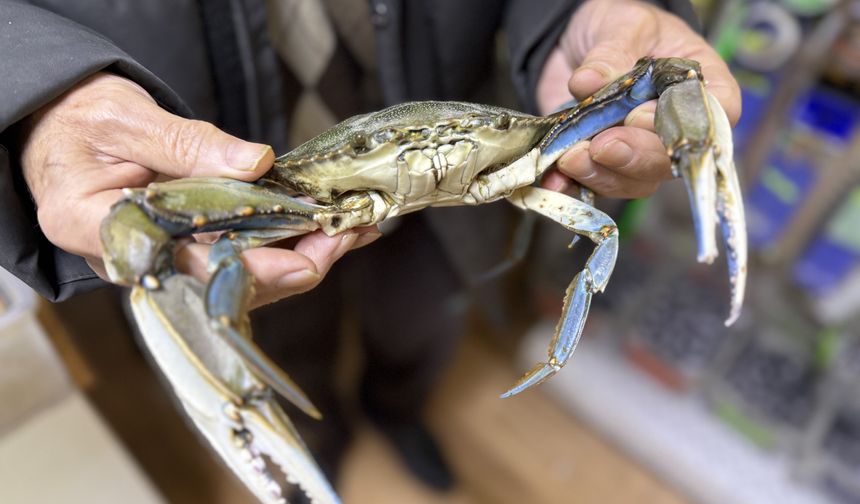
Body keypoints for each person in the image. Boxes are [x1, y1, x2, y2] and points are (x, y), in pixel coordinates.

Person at [0, 0, 740, 494]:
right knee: (257, 309)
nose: (420, 154)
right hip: (267, 170)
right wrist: (36, 89)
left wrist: (581, 12)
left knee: (424, 317)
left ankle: (399, 412)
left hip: (474, 137)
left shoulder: (538, 146)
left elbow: (657, 80)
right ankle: (303, 460)